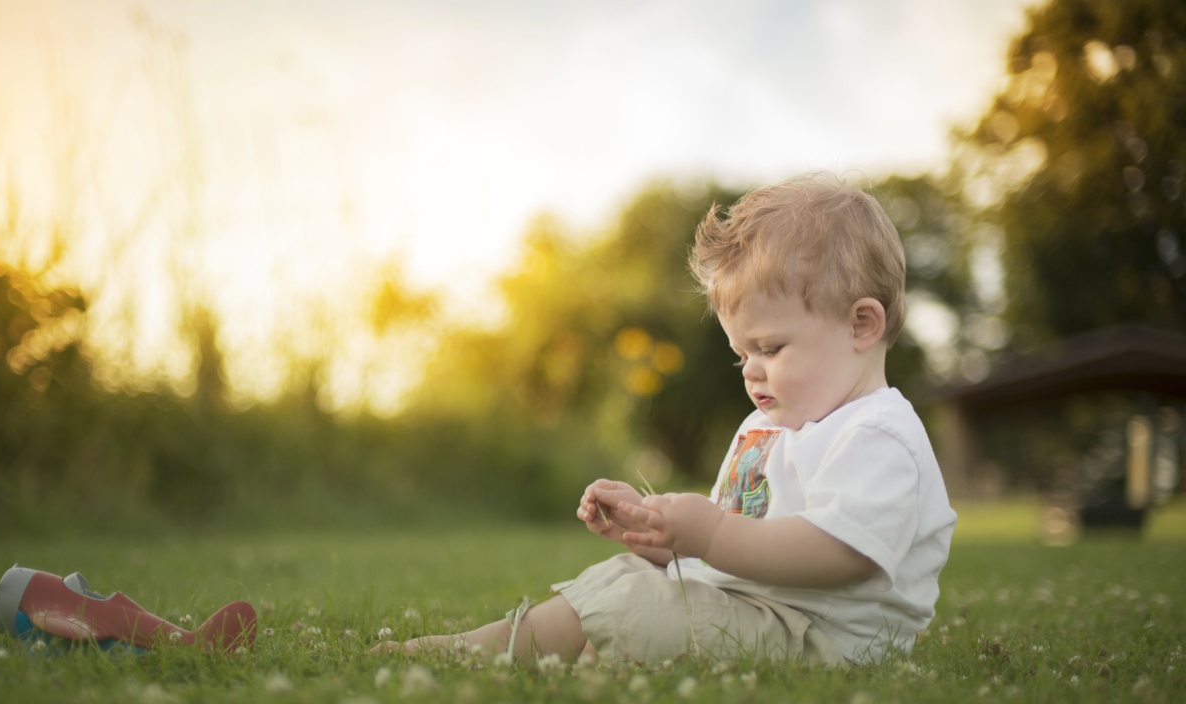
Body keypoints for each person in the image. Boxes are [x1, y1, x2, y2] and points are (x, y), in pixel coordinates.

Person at [379, 171, 957, 667]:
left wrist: (713, 533)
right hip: (756, 613)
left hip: (818, 639)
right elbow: (723, 553)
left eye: (771, 349)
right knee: (628, 577)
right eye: (742, 354)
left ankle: (523, 658)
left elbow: (841, 554)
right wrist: (657, 536)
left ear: (861, 325)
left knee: (637, 606)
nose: (750, 372)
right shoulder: (770, 428)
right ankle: (491, 646)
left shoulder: (876, 434)